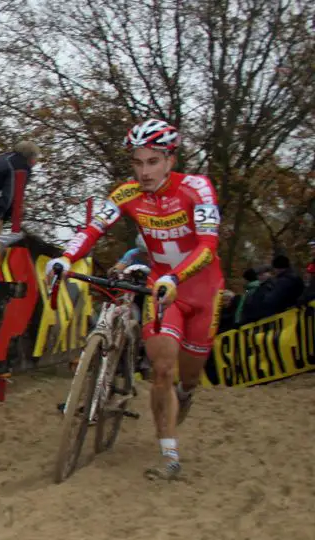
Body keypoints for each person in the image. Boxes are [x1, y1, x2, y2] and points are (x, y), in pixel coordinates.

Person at [48, 119, 224, 481]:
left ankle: (186, 394)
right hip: (163, 290)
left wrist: (177, 276)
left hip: (202, 289)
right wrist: (65, 257)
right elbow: (93, 228)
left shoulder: (197, 188)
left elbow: (208, 245)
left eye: (152, 162)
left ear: (170, 160)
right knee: (161, 369)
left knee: (188, 378)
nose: (144, 172)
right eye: (137, 162)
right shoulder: (126, 194)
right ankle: (169, 456)